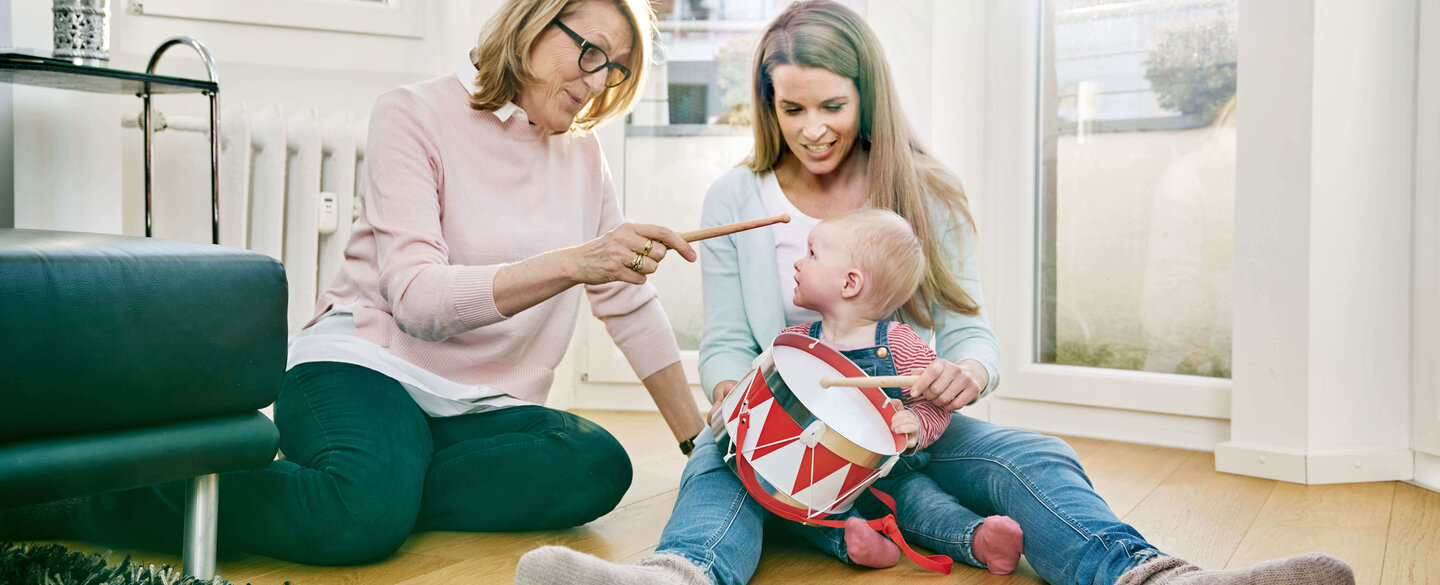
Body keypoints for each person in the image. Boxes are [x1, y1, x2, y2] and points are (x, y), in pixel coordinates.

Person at [512, 2, 1355, 585]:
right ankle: (677, 573)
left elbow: (970, 330)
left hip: (910, 428)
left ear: (866, 94)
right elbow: (730, 338)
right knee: (714, 460)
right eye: (791, 107)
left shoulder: (927, 191)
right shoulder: (737, 199)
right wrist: (736, 396)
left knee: (1032, 455)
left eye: (832, 105)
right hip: (787, 432)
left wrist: (967, 377)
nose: (812, 128)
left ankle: (1151, 572)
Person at [1, 0, 705, 566]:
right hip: (364, 364)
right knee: (356, 521)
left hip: (481, 405)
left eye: (614, 70)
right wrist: (577, 260)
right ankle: (92, 502)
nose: (596, 80)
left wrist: (696, 447)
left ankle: (377, 478)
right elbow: (419, 300)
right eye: (589, 52)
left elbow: (627, 302)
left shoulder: (585, 159)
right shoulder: (416, 112)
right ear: (532, 23)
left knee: (596, 464)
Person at [721, 208, 969, 570]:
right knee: (794, 502)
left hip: (889, 474)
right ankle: (856, 542)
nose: (797, 264)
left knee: (924, 502)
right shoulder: (792, 344)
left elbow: (937, 404)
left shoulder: (900, 344)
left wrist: (916, 424)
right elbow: (759, 393)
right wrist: (731, 402)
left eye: (812, 254)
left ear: (849, 283)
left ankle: (975, 536)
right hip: (811, 479)